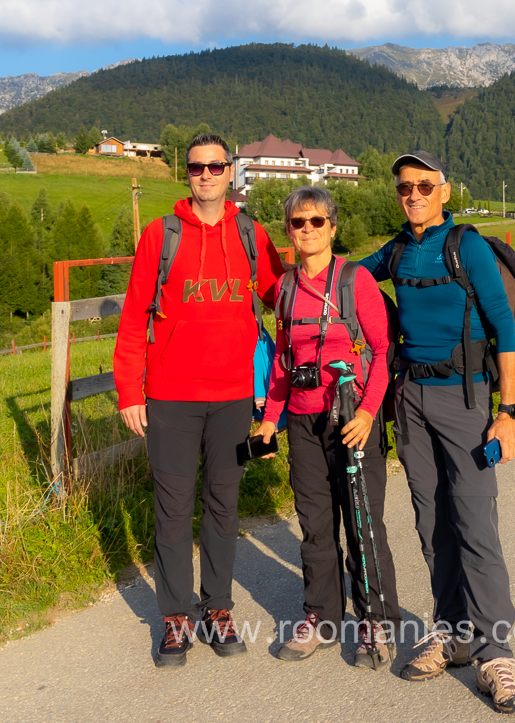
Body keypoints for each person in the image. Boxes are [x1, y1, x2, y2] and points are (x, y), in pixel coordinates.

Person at [358, 150, 515, 714]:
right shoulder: (398, 249)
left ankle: (496, 652)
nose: (413, 195)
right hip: (412, 399)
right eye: (405, 187)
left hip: (467, 399)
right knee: (432, 521)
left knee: (475, 521)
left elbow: (506, 330)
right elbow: (350, 277)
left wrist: (508, 411)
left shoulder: (468, 247)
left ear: (445, 191)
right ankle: (453, 633)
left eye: (424, 186)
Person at [114, 132, 285, 668]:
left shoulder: (250, 233)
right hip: (170, 395)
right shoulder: (159, 236)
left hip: (235, 396)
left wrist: (343, 290)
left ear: (231, 171)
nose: (206, 174)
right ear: (185, 173)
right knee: (172, 508)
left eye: (215, 166)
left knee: (223, 503)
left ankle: (217, 608)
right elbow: (133, 316)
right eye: (196, 167)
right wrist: (129, 390)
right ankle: (173, 619)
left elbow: (283, 293)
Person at [255, 186, 400, 669]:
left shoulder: (354, 281)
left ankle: (376, 621)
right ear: (289, 233)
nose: (308, 230)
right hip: (302, 420)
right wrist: (269, 420)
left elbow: (382, 352)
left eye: (317, 221)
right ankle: (320, 615)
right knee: (315, 525)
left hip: (352, 419)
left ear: (333, 228)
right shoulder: (286, 290)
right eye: (299, 223)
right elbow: (280, 360)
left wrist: (366, 414)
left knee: (362, 524)